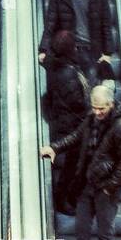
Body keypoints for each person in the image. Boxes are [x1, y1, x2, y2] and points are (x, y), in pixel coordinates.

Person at [40, 82, 121, 240]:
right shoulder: (92, 119)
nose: (97, 112)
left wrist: (110, 187)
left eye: (101, 108)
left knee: (104, 231)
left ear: (111, 104)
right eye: (94, 107)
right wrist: (54, 147)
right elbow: (76, 136)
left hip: (105, 189)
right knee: (82, 227)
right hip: (88, 183)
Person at [39, 0, 113, 81]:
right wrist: (43, 49)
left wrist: (107, 54)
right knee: (70, 90)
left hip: (92, 52)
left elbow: (106, 24)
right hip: (68, 52)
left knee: (91, 89)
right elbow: (50, 23)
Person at [42, 29, 90, 214]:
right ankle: (62, 199)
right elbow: (79, 103)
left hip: (60, 118)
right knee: (74, 163)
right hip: (72, 124)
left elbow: (46, 60)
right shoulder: (68, 74)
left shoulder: (53, 64)